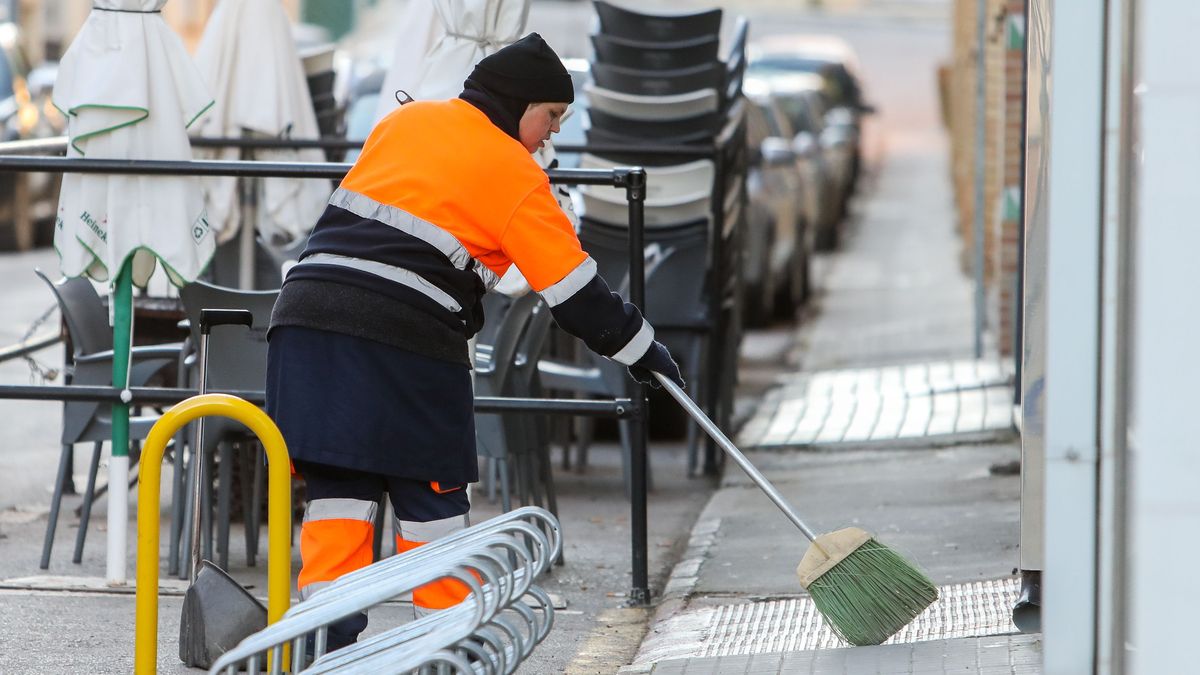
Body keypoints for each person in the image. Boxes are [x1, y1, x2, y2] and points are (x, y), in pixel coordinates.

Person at [265, 32, 684, 651]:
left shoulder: (405, 123)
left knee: (339, 504)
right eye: (551, 118)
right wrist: (647, 353)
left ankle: (327, 655)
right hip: (402, 340)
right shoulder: (512, 171)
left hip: (303, 328)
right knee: (430, 504)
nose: (550, 136)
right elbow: (577, 296)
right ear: (520, 105)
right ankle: (443, 652)